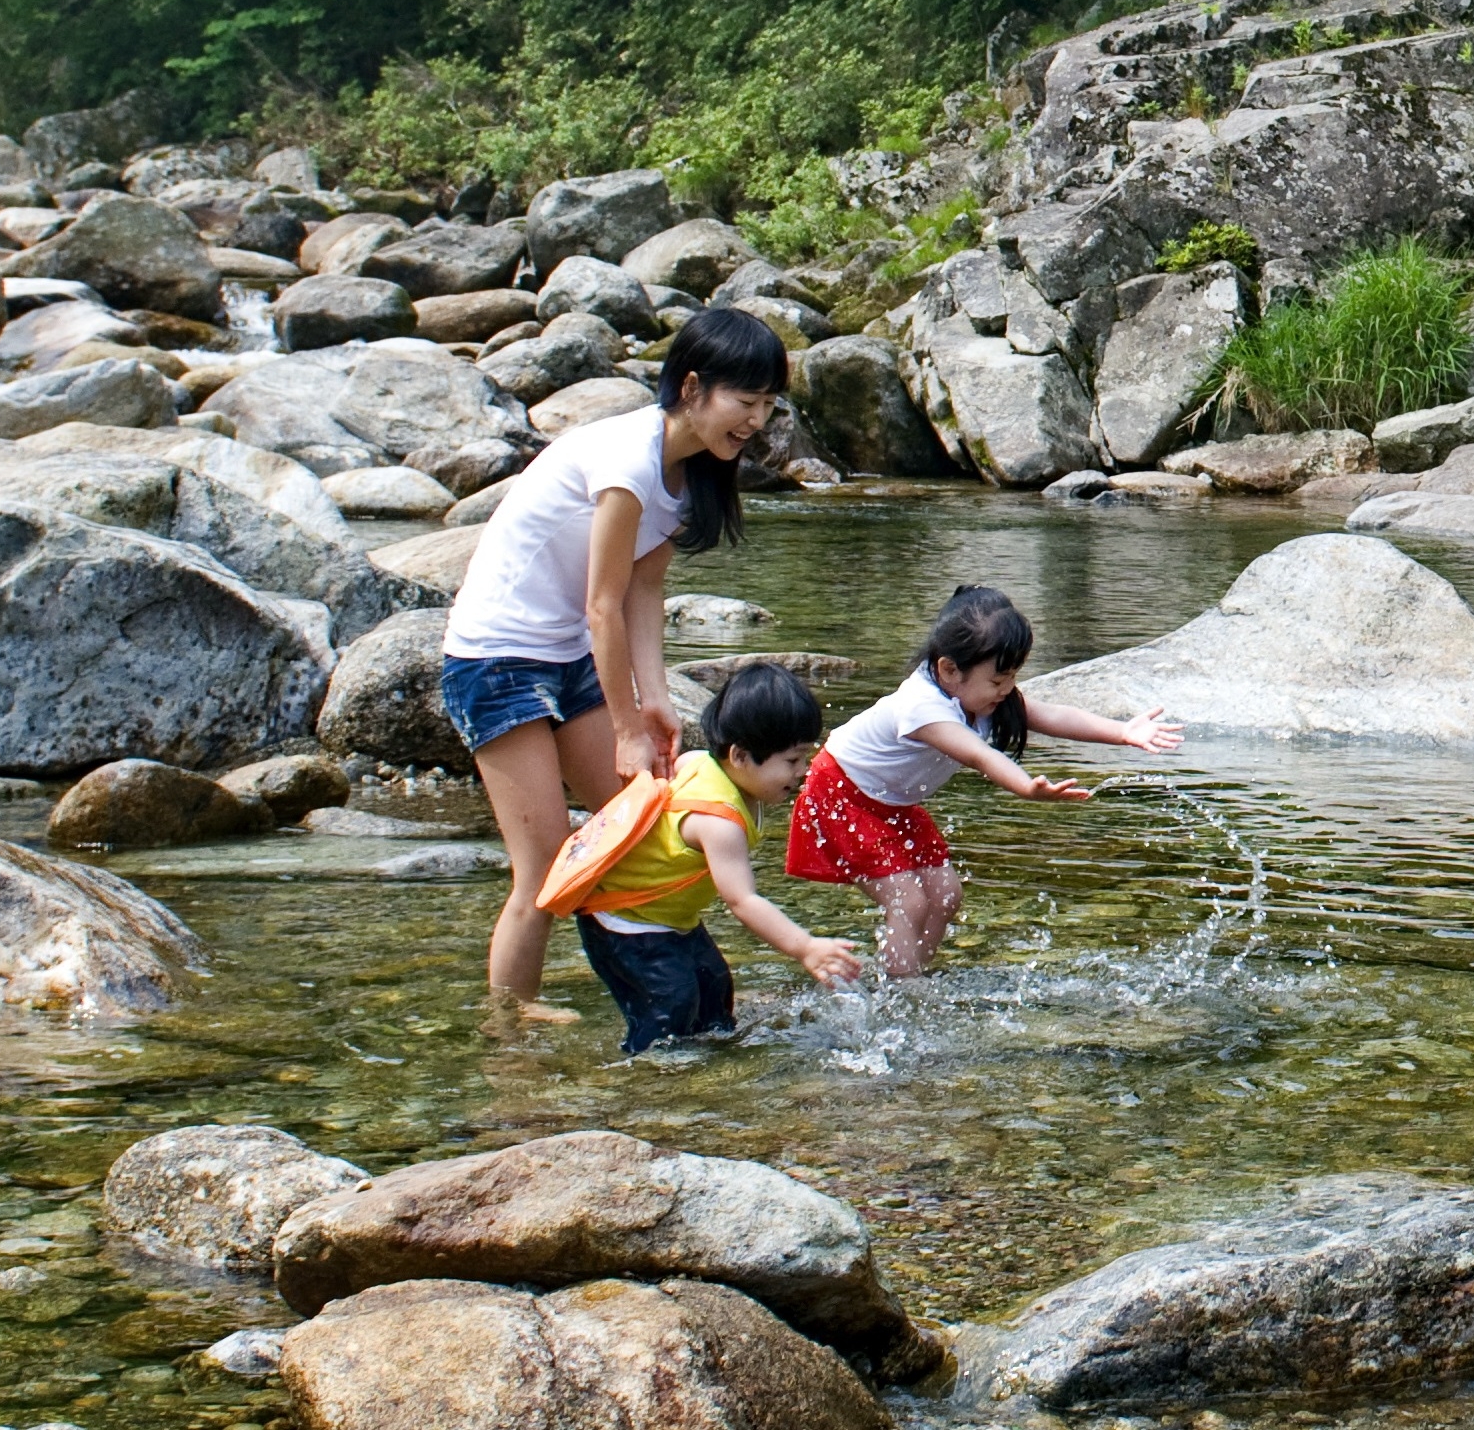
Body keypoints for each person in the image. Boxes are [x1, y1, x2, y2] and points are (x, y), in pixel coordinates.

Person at [439, 304, 789, 1020]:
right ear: (692, 388)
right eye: (744, 401)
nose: (755, 420)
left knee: (634, 829)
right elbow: (602, 603)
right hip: (496, 658)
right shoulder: (629, 460)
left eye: (767, 405)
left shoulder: (688, 474)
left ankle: (657, 970)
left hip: (565, 654)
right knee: (542, 863)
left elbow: (644, 588)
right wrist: (627, 726)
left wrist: (653, 697)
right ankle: (511, 1021)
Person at [788, 584, 1183, 976]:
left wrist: (1122, 732)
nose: (1007, 689)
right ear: (948, 669)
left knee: (945, 895)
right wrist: (1026, 787)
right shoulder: (920, 707)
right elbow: (979, 754)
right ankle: (903, 991)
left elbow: (1053, 716)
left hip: (890, 802)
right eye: (997, 680)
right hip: (841, 794)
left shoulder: (976, 693)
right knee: (907, 900)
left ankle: (909, 976)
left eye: (1012, 677)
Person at [573, 664, 868, 1052]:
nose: (802, 772)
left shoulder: (701, 761)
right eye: (792, 761)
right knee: (670, 1004)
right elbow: (742, 900)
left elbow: (677, 767)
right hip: (624, 920)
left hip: (667, 917)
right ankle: (646, 1076)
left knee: (713, 985)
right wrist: (804, 946)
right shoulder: (718, 822)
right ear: (741, 756)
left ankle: (711, 1060)